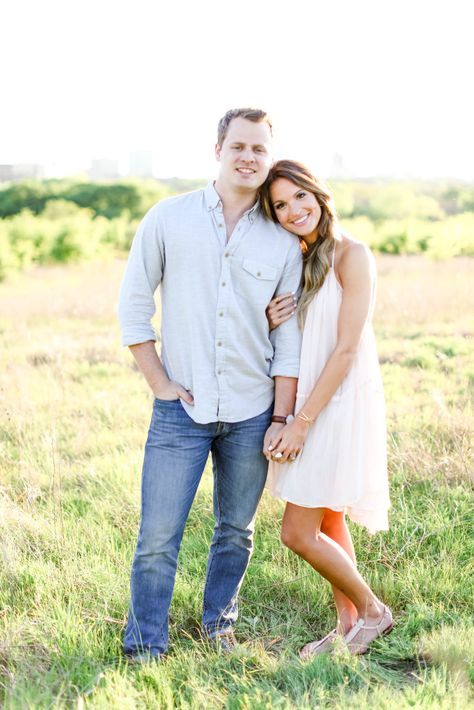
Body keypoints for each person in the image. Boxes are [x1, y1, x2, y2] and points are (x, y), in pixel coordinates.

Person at [117, 110, 302, 662]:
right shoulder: (168, 218)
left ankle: (218, 627)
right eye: (239, 145)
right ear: (218, 149)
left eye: (259, 149)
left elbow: (287, 339)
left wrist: (281, 416)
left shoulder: (281, 240)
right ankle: (145, 644)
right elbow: (132, 306)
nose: (249, 157)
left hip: (252, 409)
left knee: (235, 532)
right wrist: (159, 383)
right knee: (157, 538)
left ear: (269, 156)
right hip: (182, 409)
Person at [260, 160, 392, 658]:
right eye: (280, 204)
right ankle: (348, 626)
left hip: (335, 405)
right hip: (311, 403)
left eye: (299, 197)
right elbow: (299, 338)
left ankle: (374, 610)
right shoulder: (300, 259)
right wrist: (270, 315)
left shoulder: (351, 255)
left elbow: (345, 350)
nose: (293, 210)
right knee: (328, 519)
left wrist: (300, 423)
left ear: (318, 193)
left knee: (297, 532)